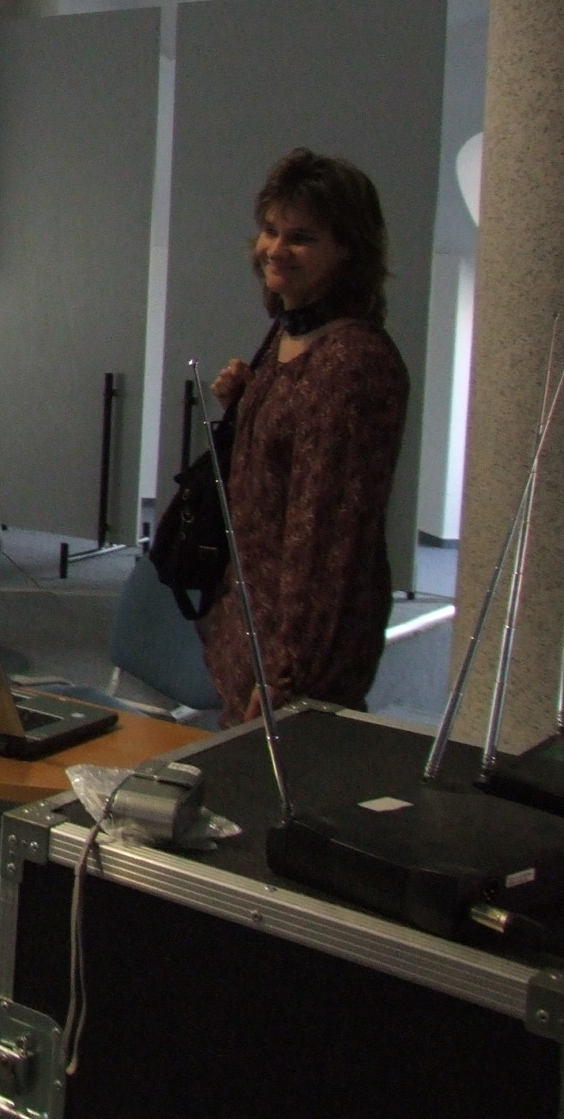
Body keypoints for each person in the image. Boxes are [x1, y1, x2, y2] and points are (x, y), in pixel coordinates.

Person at [201, 148, 409, 725]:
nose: (276, 249)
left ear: (347, 250)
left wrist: (287, 675)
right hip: (252, 625)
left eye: (301, 238)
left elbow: (326, 541)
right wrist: (249, 407)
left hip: (295, 655)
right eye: (271, 230)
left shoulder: (350, 363)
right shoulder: (288, 335)